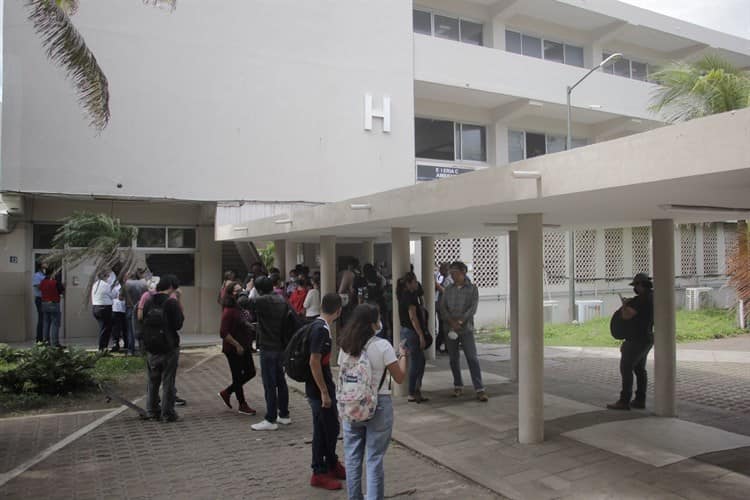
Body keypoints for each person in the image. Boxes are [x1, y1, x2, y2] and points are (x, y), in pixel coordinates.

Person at [338, 304, 407, 500]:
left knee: (352, 459)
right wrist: (403, 355)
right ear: (371, 324)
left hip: (351, 405)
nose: (380, 322)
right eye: (377, 319)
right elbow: (400, 377)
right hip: (379, 404)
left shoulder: (345, 346)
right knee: (374, 458)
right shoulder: (383, 346)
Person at [307, 293, 345, 490]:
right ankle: (319, 471)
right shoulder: (321, 330)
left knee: (329, 427)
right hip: (317, 388)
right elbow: (314, 361)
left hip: (321, 385)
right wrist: (323, 391)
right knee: (324, 429)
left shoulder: (320, 326)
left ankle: (330, 462)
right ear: (338, 310)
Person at [249, 276, 292, 431]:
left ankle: (270, 418)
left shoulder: (262, 301)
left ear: (259, 289)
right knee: (281, 382)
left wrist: (247, 289)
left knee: (269, 383)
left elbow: (243, 303)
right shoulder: (281, 300)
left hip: (268, 347)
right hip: (280, 346)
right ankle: (284, 414)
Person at [440, 261, 488, 402]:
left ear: (463, 272)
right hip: (450, 329)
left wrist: (460, 321)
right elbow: (443, 308)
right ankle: (458, 385)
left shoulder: (472, 289)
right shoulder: (448, 289)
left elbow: (472, 308)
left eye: (454, 272)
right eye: (451, 273)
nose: (452, 275)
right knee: (453, 359)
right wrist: (451, 322)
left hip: (465, 328)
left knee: (472, 358)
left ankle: (479, 389)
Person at [607, 273, 655, 411]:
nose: (635, 288)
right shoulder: (652, 297)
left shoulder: (641, 300)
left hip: (636, 339)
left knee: (626, 368)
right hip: (647, 337)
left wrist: (624, 305)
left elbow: (627, 315)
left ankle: (624, 400)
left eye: (635, 285)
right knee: (640, 369)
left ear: (640, 285)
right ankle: (640, 399)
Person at [142, 275, 184, 422]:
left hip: (151, 347)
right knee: (168, 380)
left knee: (153, 380)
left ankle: (152, 410)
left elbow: (141, 320)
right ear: (172, 287)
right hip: (169, 346)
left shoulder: (148, 301)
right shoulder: (171, 303)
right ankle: (168, 413)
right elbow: (178, 324)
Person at [218, 282, 257, 416]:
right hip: (234, 349)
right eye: (237, 291)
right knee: (237, 375)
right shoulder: (228, 311)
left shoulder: (238, 307)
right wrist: (237, 345)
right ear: (230, 293)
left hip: (244, 345)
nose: (240, 293)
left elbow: (243, 320)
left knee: (250, 372)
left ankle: (227, 392)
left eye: (241, 290)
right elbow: (223, 332)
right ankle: (242, 403)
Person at [397, 272, 429, 403]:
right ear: (409, 283)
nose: (417, 284)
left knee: (420, 361)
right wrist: (421, 334)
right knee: (416, 362)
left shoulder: (407, 294)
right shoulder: (408, 297)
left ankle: (416, 389)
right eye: (415, 282)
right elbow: (413, 317)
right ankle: (412, 391)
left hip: (408, 331)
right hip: (411, 332)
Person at [91, 270, 118, 352]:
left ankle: (103, 347)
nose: (108, 278)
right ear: (105, 277)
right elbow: (114, 295)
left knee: (103, 328)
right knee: (106, 329)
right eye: (108, 276)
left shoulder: (95, 284)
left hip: (95, 308)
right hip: (104, 308)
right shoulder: (106, 285)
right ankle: (102, 348)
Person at [124, 269, 148, 355]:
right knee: (142, 329)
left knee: (130, 330)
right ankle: (143, 349)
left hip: (131, 308)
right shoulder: (143, 283)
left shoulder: (127, 284)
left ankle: (131, 350)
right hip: (142, 308)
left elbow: (124, 297)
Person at [39, 267, 64, 348]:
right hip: (53, 304)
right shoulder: (55, 282)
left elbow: (40, 289)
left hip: (44, 304)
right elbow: (61, 290)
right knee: (55, 324)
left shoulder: (42, 282)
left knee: (46, 323)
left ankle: (45, 342)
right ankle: (55, 343)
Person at [434, 262, 451, 354]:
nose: (439, 270)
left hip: (446, 309)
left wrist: (437, 285)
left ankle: (445, 347)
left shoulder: (448, 280)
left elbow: (445, 291)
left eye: (441, 268)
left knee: (445, 328)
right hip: (441, 307)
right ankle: (439, 346)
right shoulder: (444, 279)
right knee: (442, 328)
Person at [33, 262, 48, 343]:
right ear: (40, 268)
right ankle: (39, 339)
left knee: (47, 319)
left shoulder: (46, 276)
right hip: (40, 299)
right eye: (44, 267)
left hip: (47, 299)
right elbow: (37, 286)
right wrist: (48, 285)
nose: (46, 268)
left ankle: (46, 338)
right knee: (41, 318)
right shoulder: (37, 275)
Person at [111, 280, 127, 352]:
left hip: (118, 309)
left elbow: (118, 297)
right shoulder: (117, 286)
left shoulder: (117, 286)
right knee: (121, 328)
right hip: (118, 309)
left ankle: (118, 344)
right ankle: (120, 343)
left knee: (119, 328)